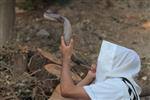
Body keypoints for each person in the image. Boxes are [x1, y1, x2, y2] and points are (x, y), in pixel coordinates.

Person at [60, 36, 141, 100]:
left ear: (117, 63)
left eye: (105, 60)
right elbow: (73, 96)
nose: (99, 62)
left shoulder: (114, 87)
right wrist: (89, 77)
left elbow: (67, 91)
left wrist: (66, 57)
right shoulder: (124, 86)